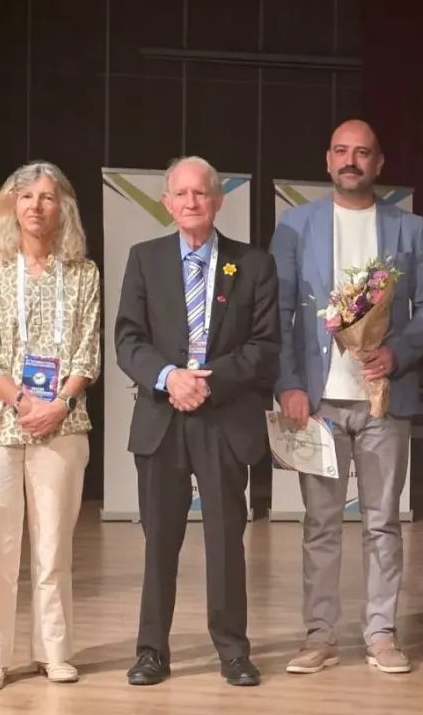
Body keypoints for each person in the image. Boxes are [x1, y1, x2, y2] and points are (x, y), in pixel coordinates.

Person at [270, 119, 423, 675]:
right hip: (317, 402)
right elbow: (276, 312)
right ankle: (319, 636)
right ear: (327, 160)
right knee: (320, 523)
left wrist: (398, 352)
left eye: (362, 153)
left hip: (383, 401)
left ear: (379, 163)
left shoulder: (409, 228)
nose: (351, 161)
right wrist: (288, 383)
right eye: (342, 151)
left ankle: (381, 634)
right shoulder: (295, 225)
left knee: (382, 522)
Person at [114, 156, 280, 687]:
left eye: (200, 193)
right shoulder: (144, 259)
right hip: (162, 419)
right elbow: (128, 339)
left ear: (218, 200)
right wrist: (169, 378)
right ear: (166, 203)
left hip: (224, 419)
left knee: (226, 542)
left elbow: (265, 345)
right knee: (159, 541)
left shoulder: (253, 263)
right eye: (181, 194)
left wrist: (209, 380)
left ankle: (233, 652)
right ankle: (150, 652)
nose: (191, 202)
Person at [0, 161, 101, 691]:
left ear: (63, 207)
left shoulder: (83, 273)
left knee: (54, 547)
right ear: (11, 205)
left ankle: (54, 651)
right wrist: (24, 402)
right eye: (26, 197)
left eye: (47, 197)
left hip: (63, 423)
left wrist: (57, 405)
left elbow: (87, 353)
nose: (36, 206)